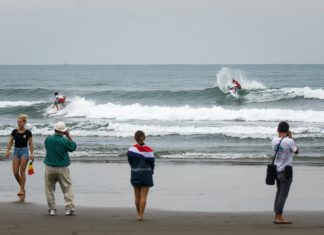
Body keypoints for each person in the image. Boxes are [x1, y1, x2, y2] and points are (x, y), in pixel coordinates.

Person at [44, 121, 77, 216]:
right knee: (67, 188)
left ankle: (52, 209)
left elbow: (47, 147)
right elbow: (73, 147)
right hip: (62, 167)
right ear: (63, 131)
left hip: (49, 166)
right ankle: (69, 208)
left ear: (55, 129)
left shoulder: (48, 139)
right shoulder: (65, 141)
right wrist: (68, 136)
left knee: (49, 189)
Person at [272, 121, 299, 224]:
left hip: (277, 170)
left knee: (279, 193)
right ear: (287, 131)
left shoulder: (274, 140)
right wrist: (291, 138)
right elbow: (296, 151)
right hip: (286, 171)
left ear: (278, 130)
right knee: (283, 194)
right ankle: (279, 217)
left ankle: (276, 216)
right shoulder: (289, 141)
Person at [127, 130, 155, 221]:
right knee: (143, 196)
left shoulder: (131, 150)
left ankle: (138, 213)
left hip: (135, 173)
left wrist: (134, 168)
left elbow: (130, 162)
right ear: (144, 137)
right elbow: (152, 164)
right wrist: (152, 171)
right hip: (146, 174)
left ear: (135, 138)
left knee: (137, 196)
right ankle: (140, 215)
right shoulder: (149, 150)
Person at [5, 114, 34, 197]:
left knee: (22, 171)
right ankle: (22, 186)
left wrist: (32, 153)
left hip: (24, 151)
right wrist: (7, 151)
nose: (19, 123)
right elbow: (10, 142)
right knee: (15, 172)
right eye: (18, 122)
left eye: (20, 122)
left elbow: (31, 143)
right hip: (16, 152)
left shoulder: (28, 132)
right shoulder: (14, 131)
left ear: (24, 122)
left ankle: (21, 189)